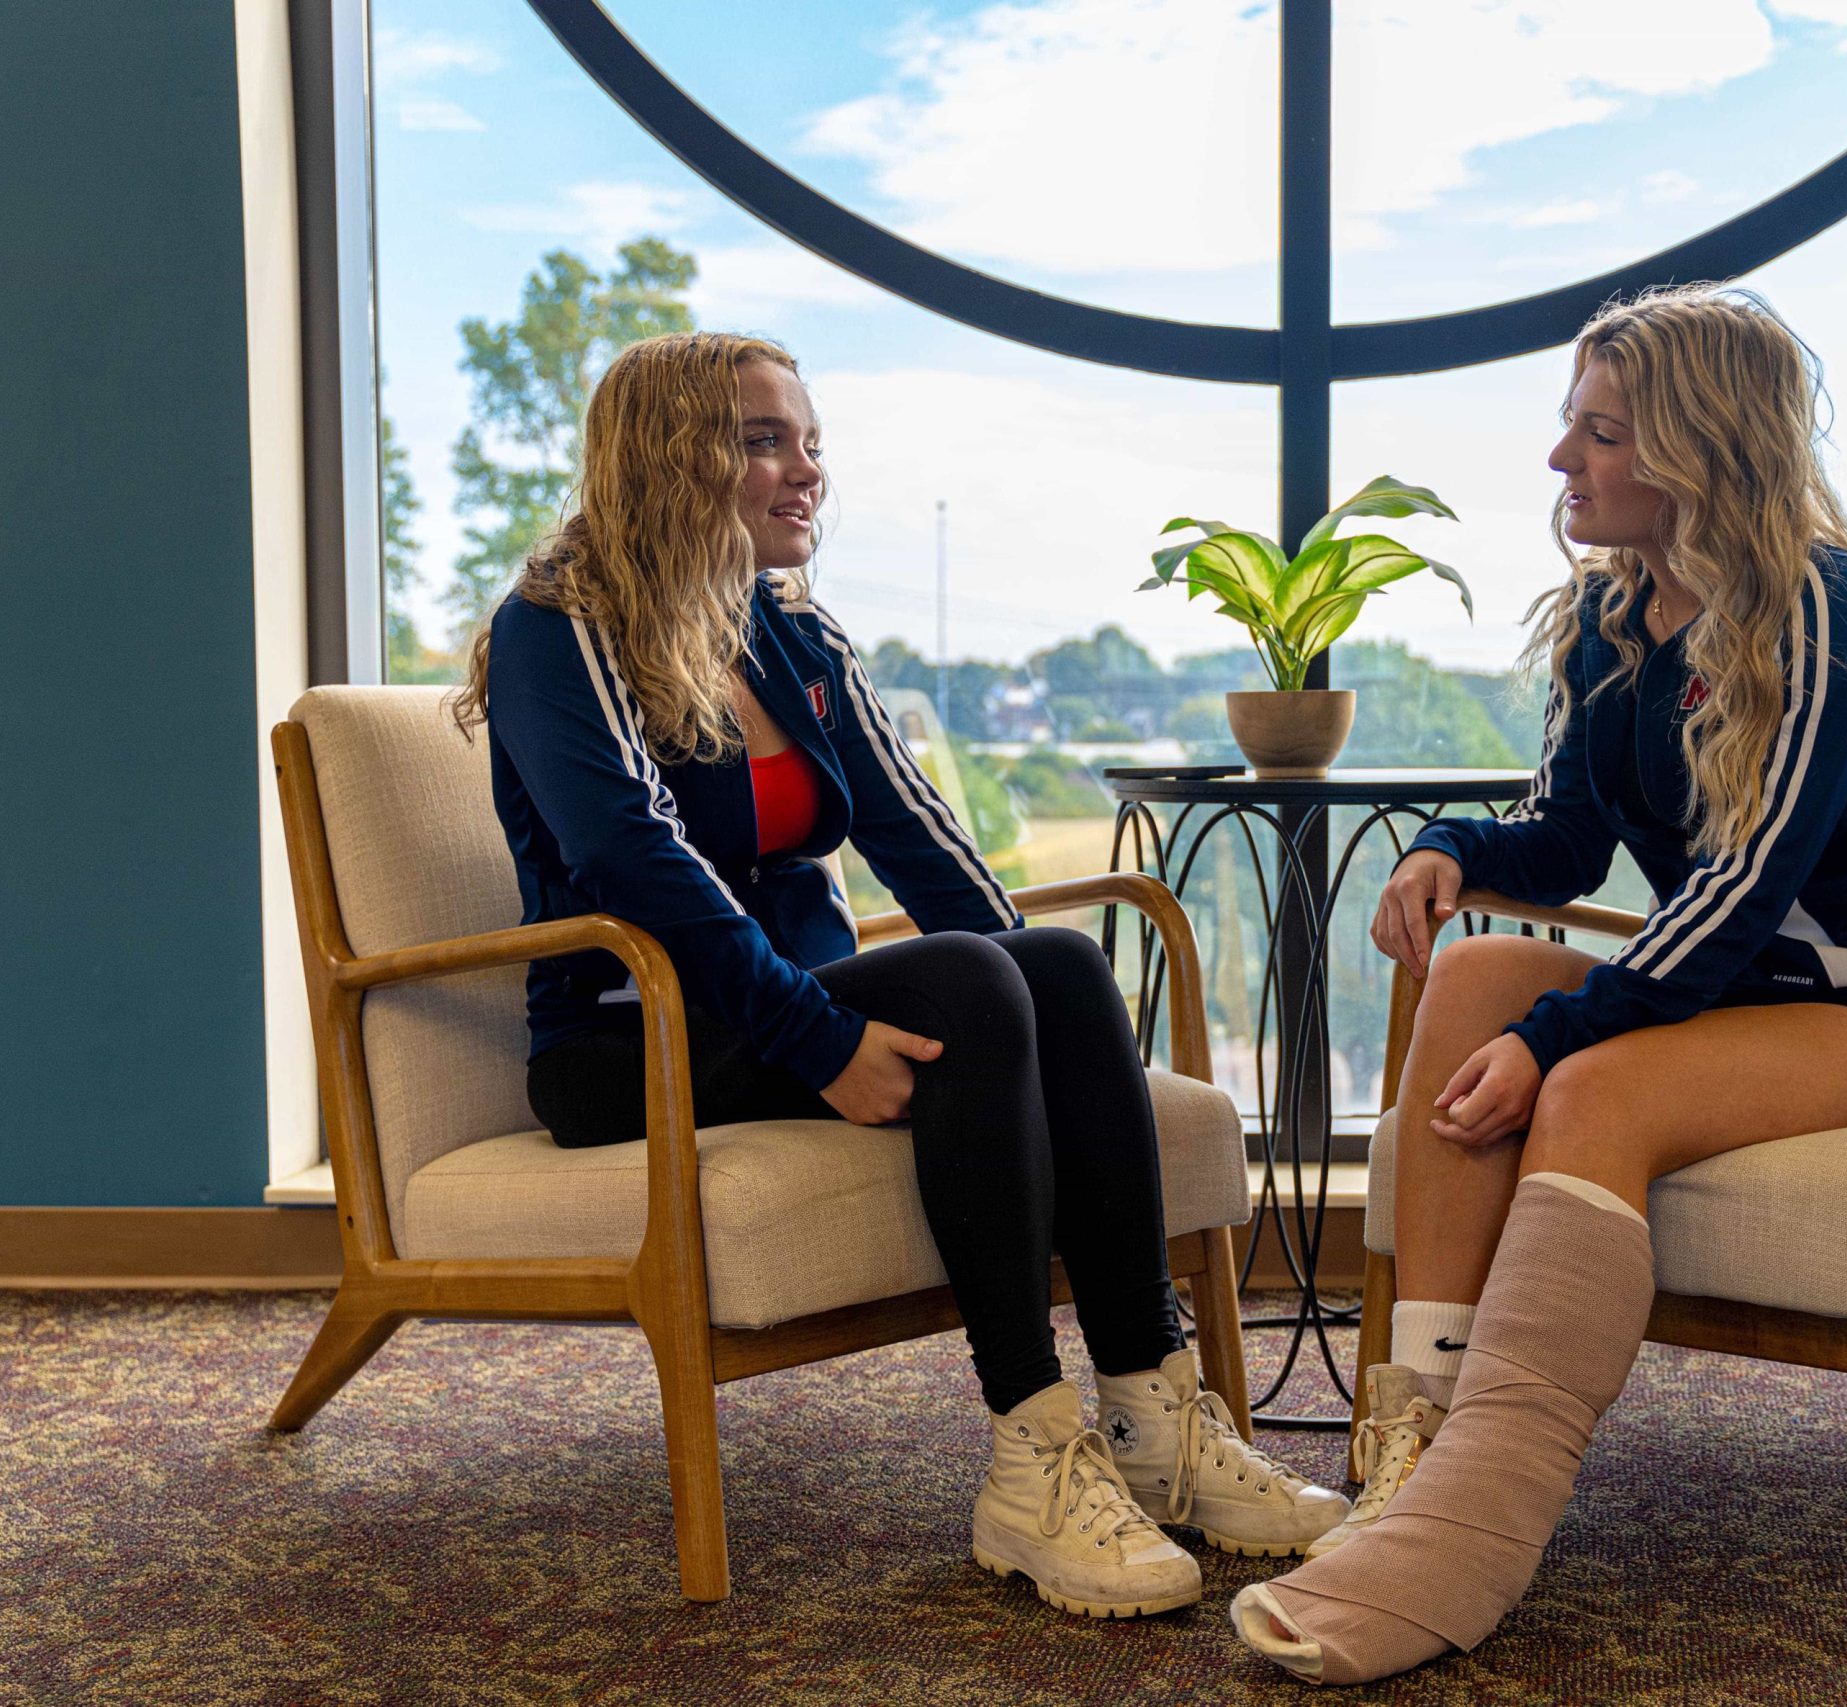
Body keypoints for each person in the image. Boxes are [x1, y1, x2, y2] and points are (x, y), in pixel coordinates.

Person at [451, 331, 1344, 1621]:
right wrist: (817, 1037)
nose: (804, 471)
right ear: (670, 458)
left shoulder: (789, 634)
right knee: (982, 990)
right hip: (627, 1042)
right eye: (764, 441)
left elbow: (919, 836)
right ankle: (1033, 1457)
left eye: (811, 443)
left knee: (1049, 969)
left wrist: (1042, 1002)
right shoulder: (558, 628)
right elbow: (631, 856)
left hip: (778, 1016)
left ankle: (1155, 1417)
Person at [1229, 285, 1847, 1683]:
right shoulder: (1609, 618)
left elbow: (1749, 884)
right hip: (1724, 989)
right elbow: (1573, 838)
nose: (1560, 461)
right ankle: (1419, 1460)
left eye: (1600, 432)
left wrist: (1562, 1034)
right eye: (1570, 427)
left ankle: (1474, 1526)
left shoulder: (1837, 609)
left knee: (1580, 1077)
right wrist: (1453, 852)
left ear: (1700, 447)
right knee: (1470, 987)